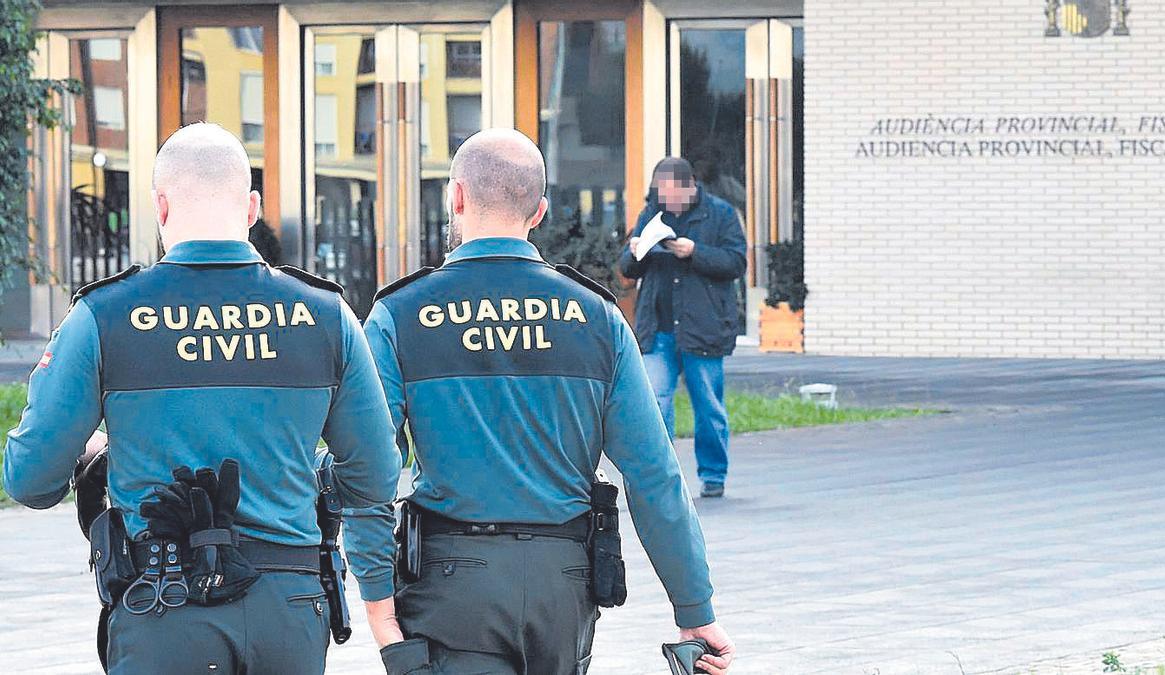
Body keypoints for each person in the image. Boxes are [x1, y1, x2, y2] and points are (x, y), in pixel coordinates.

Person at [1, 123, 402, 674]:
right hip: (288, 608)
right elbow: (376, 476)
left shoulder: (103, 315)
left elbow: (29, 480)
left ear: (160, 207)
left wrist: (100, 452)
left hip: (162, 604)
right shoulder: (325, 314)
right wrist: (300, 472)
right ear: (252, 208)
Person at [362, 129, 735, 675]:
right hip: (563, 585)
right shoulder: (597, 316)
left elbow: (368, 468)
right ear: (538, 212)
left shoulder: (400, 313)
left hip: (450, 586)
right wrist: (694, 608)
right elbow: (653, 473)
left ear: (456, 198)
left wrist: (377, 599)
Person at [618, 158, 747, 499]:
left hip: (703, 328)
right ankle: (662, 477)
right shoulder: (651, 213)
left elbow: (736, 262)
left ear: (691, 187)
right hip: (658, 328)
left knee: (708, 406)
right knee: (655, 403)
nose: (669, 202)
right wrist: (636, 252)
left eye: (675, 195)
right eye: (663, 195)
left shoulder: (720, 214)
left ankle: (714, 475)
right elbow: (628, 268)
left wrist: (695, 252)